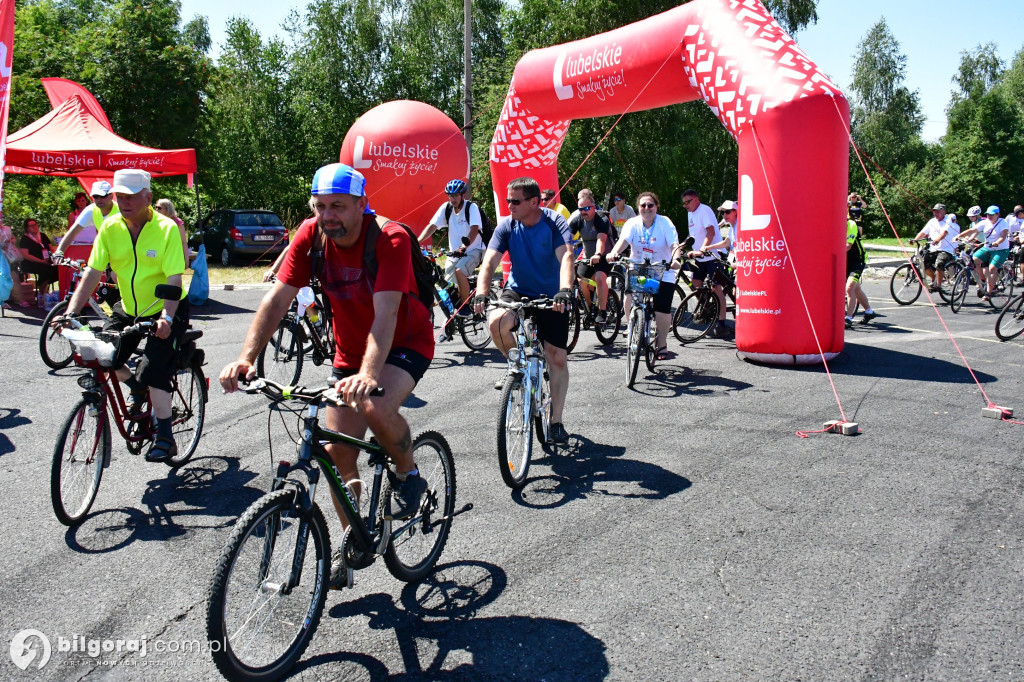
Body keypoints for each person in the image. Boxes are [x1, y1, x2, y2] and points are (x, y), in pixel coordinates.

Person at [219, 163, 433, 588]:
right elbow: (278, 299)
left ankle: (408, 473)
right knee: (336, 452)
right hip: (349, 350)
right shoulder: (310, 235)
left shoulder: (388, 238)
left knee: (372, 402)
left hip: (405, 342)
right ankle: (355, 536)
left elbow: (387, 311)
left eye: (338, 206)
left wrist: (369, 374)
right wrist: (246, 358)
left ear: (361, 205)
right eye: (320, 206)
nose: (328, 215)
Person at [54, 169, 189, 461]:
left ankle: (165, 435)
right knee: (100, 356)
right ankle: (137, 388)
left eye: (130, 196)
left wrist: (166, 318)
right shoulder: (111, 227)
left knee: (154, 368)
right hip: (129, 308)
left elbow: (175, 279)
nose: (123, 201)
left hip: (166, 308)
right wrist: (70, 312)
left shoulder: (166, 229)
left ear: (148, 197)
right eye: (119, 196)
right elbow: (92, 271)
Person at [472, 176, 573, 442]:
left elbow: (567, 258)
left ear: (534, 202)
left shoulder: (554, 223)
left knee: (557, 358)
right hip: (518, 289)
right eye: (507, 200)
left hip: (553, 295)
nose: (509, 206)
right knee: (497, 321)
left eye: (515, 201)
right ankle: (514, 366)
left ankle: (556, 421)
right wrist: (482, 292)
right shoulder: (507, 225)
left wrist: (565, 289)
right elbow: (489, 262)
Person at [607, 191, 680, 357]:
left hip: (662, 269)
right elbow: (623, 240)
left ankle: (661, 342)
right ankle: (632, 326)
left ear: (656, 207)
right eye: (643, 205)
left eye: (650, 205)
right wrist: (613, 252)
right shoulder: (632, 223)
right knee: (629, 296)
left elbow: (674, 244)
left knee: (662, 309)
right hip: (639, 268)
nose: (647, 208)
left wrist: (676, 258)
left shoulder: (664, 223)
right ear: (638, 207)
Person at [417, 179, 484, 316]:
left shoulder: (471, 208)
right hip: (455, 253)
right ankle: (456, 316)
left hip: (474, 250)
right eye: (450, 196)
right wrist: (416, 242)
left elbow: (474, 229)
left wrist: (464, 246)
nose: (452, 199)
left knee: (460, 271)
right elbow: (432, 226)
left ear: (463, 196)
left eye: (455, 196)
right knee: (447, 285)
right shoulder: (446, 208)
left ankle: (465, 307)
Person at [681, 188, 729, 338]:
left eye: (687, 202)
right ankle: (708, 309)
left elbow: (711, 232)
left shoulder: (704, 210)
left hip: (713, 256)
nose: (685, 205)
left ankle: (721, 323)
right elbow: (693, 234)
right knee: (695, 283)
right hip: (700, 257)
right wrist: (682, 246)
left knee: (716, 289)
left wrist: (703, 248)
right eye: (683, 203)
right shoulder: (690, 213)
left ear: (696, 199)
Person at [568, 189, 613, 324]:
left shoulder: (601, 219)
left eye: (587, 208)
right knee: (579, 281)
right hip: (588, 257)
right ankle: (590, 308)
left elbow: (601, 240)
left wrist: (598, 254)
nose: (583, 211)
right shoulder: (578, 220)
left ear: (594, 207)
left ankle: (603, 311)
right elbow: (566, 239)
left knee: (599, 278)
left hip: (605, 255)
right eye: (581, 209)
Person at [958, 205, 1010, 301]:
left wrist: (996, 243)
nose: (989, 216)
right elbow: (972, 230)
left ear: (997, 214)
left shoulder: (1003, 222)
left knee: (992, 268)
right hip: (988, 248)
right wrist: (959, 236)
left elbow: (1003, 236)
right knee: (975, 258)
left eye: (992, 214)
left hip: (1001, 249)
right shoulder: (985, 222)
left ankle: (989, 293)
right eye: (988, 214)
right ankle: (982, 279)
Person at [845, 207, 880, 326]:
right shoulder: (832, 225)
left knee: (850, 287)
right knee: (856, 289)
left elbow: (848, 246)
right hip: (844, 261)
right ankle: (869, 311)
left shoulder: (851, 224)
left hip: (858, 260)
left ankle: (848, 318)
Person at [912, 203, 957, 293]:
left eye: (938, 211)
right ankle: (934, 280)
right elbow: (923, 232)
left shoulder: (948, 221)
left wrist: (937, 239)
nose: (935, 213)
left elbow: (944, 233)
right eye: (934, 211)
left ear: (943, 212)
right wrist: (914, 240)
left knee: (939, 264)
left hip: (946, 249)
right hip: (933, 249)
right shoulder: (932, 221)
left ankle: (938, 285)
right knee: (924, 265)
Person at [18, 218, 59, 305]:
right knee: (45, 270)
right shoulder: (25, 239)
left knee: (58, 268)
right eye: (31, 226)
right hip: (31, 262)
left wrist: (54, 258)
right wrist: (41, 261)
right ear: (27, 228)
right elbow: (26, 255)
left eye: (35, 224)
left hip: (46, 260)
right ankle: (42, 293)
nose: (34, 227)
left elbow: (51, 248)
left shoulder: (43, 236)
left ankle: (51, 294)